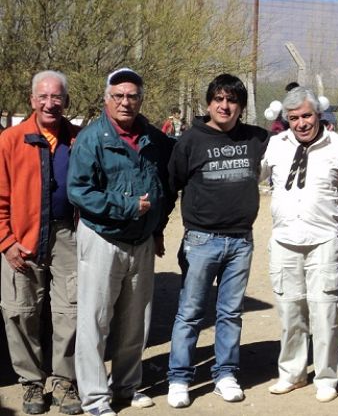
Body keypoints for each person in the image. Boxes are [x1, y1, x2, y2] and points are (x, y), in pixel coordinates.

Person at [67, 68, 175, 416]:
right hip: (103, 237)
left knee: (136, 320)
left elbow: (166, 184)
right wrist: (127, 206)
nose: (125, 102)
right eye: (119, 96)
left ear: (141, 99)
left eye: (132, 96)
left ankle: (126, 385)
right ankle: (95, 398)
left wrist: (157, 227)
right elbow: (78, 191)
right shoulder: (92, 138)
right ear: (107, 99)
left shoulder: (154, 139)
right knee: (95, 321)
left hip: (141, 240)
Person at [165, 74, 270, 408]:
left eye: (232, 100)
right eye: (219, 99)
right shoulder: (190, 140)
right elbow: (172, 183)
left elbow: (297, 141)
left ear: (241, 106)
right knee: (190, 312)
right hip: (201, 240)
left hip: (241, 241)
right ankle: (179, 378)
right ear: (208, 103)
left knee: (230, 312)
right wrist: (156, 231)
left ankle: (225, 374)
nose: (225, 106)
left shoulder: (256, 138)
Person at [261, 86, 338, 403]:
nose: (301, 123)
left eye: (306, 116)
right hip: (284, 240)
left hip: (323, 241)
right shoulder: (276, 145)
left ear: (318, 115)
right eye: (294, 118)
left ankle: (326, 376)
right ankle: (292, 373)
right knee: (290, 310)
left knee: (324, 310)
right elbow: (252, 176)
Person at [0, 71, 82, 415]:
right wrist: (6, 241)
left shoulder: (78, 139)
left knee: (71, 311)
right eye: (44, 97)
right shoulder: (10, 140)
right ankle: (31, 382)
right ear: (32, 100)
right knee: (21, 312)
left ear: (66, 101)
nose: (50, 103)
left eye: (57, 97)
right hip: (22, 236)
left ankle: (64, 382)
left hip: (68, 236)